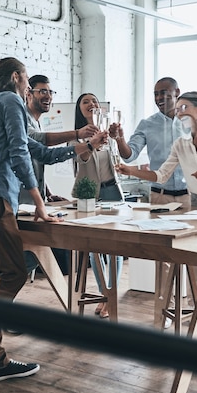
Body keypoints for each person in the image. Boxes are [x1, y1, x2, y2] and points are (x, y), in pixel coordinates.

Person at [0, 57, 107, 393]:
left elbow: (38, 148)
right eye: (29, 81)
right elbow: (22, 154)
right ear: (18, 77)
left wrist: (84, 144)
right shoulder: (9, 100)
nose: (31, 87)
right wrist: (40, 204)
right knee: (14, 274)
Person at [116, 91, 197, 345]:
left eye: (184, 106)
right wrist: (130, 170)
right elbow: (161, 175)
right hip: (196, 205)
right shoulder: (181, 144)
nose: (179, 112)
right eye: (177, 110)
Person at [109, 77, 195, 329]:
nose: (159, 98)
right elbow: (130, 153)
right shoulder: (147, 124)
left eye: (165, 93)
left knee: (193, 256)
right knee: (164, 257)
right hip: (159, 196)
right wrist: (120, 139)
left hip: (190, 197)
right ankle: (164, 312)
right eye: (156, 94)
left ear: (177, 93)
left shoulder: (191, 122)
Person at [20, 74, 99, 279]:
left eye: (50, 92)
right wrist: (79, 135)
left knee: (28, 259)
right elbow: (41, 148)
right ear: (28, 93)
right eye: (42, 91)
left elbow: (34, 164)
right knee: (22, 262)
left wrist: (47, 193)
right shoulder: (23, 120)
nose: (48, 96)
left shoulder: (37, 122)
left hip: (34, 200)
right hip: (21, 202)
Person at [71, 92, 124, 319]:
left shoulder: (109, 132)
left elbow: (122, 156)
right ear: (80, 109)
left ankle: (109, 298)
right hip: (88, 193)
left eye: (94, 101)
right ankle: (106, 296)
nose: (91, 104)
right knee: (94, 247)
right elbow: (82, 159)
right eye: (85, 102)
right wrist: (92, 144)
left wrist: (115, 138)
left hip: (112, 190)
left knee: (116, 248)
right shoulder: (75, 138)